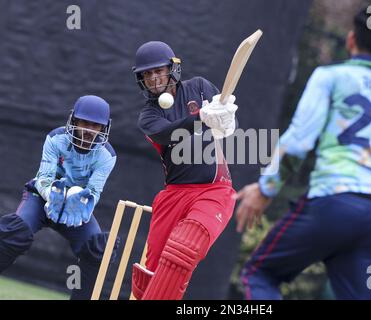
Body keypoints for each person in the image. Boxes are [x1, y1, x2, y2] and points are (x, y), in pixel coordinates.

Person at [234, 7, 371, 300]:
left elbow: (299, 142)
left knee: (261, 274)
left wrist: (266, 188)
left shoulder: (331, 77)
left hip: (333, 205)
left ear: (351, 40)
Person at [130, 41, 238, 300]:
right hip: (174, 195)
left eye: (158, 71)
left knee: (185, 246)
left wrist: (226, 119)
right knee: (151, 273)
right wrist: (202, 117)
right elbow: (171, 133)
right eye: (147, 74)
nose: (154, 79)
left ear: (172, 69)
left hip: (215, 190)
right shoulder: (148, 116)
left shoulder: (199, 87)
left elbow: (228, 126)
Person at [0, 95, 118, 300]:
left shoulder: (107, 155)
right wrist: (52, 194)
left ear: (104, 128)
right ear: (74, 120)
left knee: (98, 251)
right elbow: (43, 178)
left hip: (75, 207)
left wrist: (81, 201)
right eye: (85, 122)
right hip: (41, 198)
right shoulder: (56, 138)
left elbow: (94, 191)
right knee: (15, 232)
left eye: (96, 125)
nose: (89, 130)